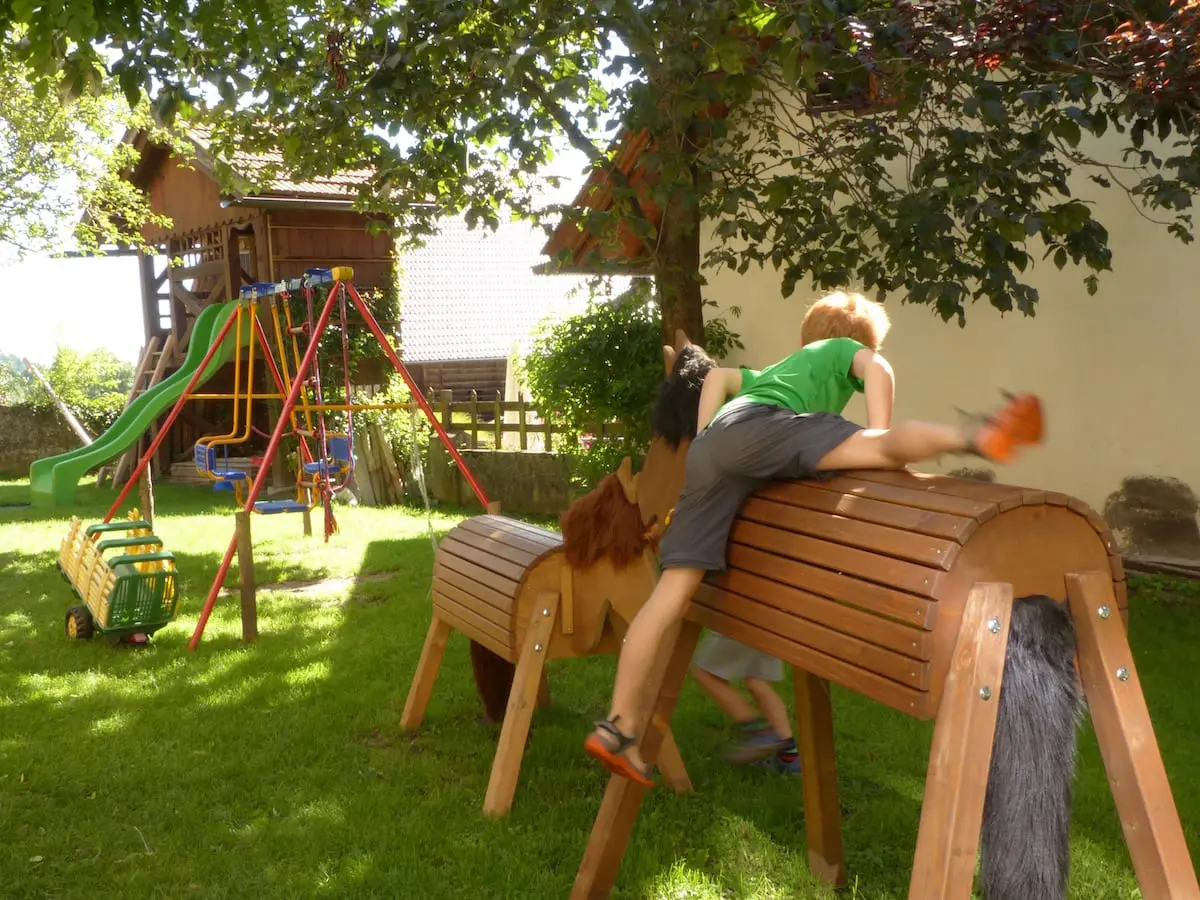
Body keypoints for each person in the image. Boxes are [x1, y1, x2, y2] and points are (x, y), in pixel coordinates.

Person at [584, 290, 1045, 786]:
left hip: (715, 445)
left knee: (667, 599)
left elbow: (716, 378)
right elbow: (879, 370)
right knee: (886, 446)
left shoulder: (774, 373)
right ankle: (979, 435)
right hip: (764, 426)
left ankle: (618, 727)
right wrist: (879, 438)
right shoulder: (839, 350)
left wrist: (704, 436)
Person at [690, 632, 800, 774]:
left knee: (704, 673)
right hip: (775, 625)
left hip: (743, 623)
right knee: (757, 680)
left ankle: (759, 732)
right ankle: (788, 756)